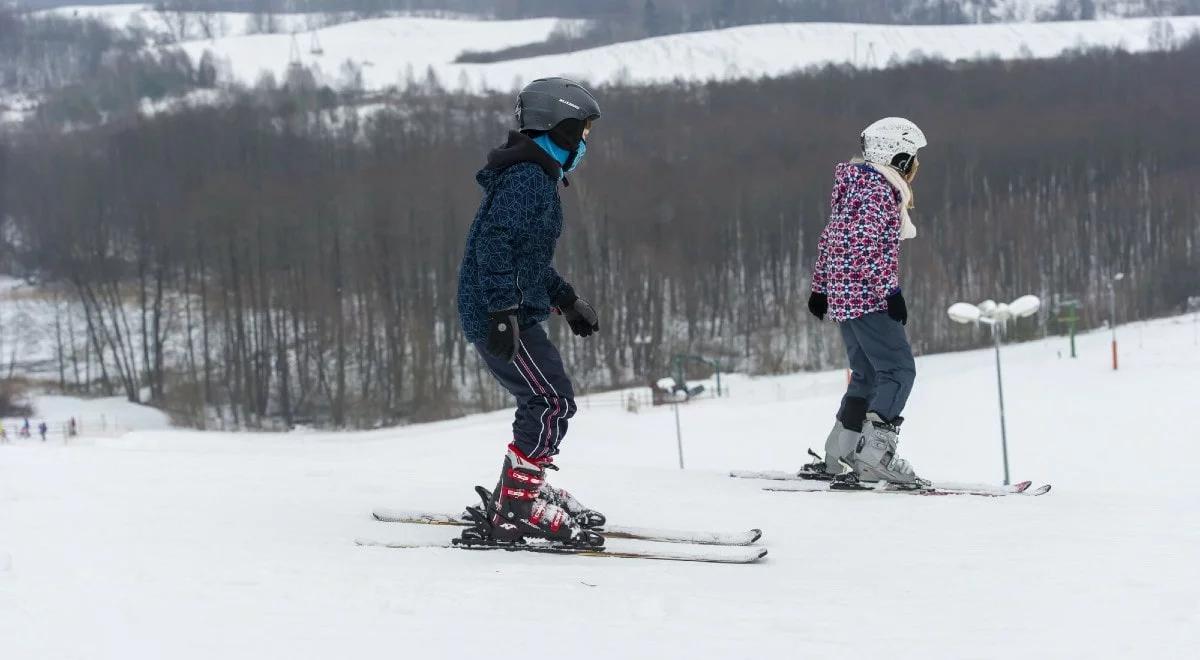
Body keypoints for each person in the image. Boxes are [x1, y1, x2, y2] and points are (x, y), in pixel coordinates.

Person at [456, 77, 604, 547]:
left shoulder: (535, 179)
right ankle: (518, 506)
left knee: (547, 398)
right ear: (558, 128)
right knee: (550, 401)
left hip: (512, 308)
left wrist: (566, 299)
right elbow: (494, 245)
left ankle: (521, 488)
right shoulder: (527, 181)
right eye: (582, 131)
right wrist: (502, 310)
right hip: (501, 312)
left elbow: (529, 260)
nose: (585, 141)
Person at [803, 117, 927, 487]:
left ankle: (841, 452)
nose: (915, 166)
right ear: (899, 157)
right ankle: (875, 455)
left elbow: (831, 238)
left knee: (868, 373)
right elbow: (864, 247)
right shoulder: (877, 191)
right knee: (899, 370)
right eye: (913, 157)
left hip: (844, 293)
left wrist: (822, 287)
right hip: (868, 295)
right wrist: (890, 292)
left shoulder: (856, 186)